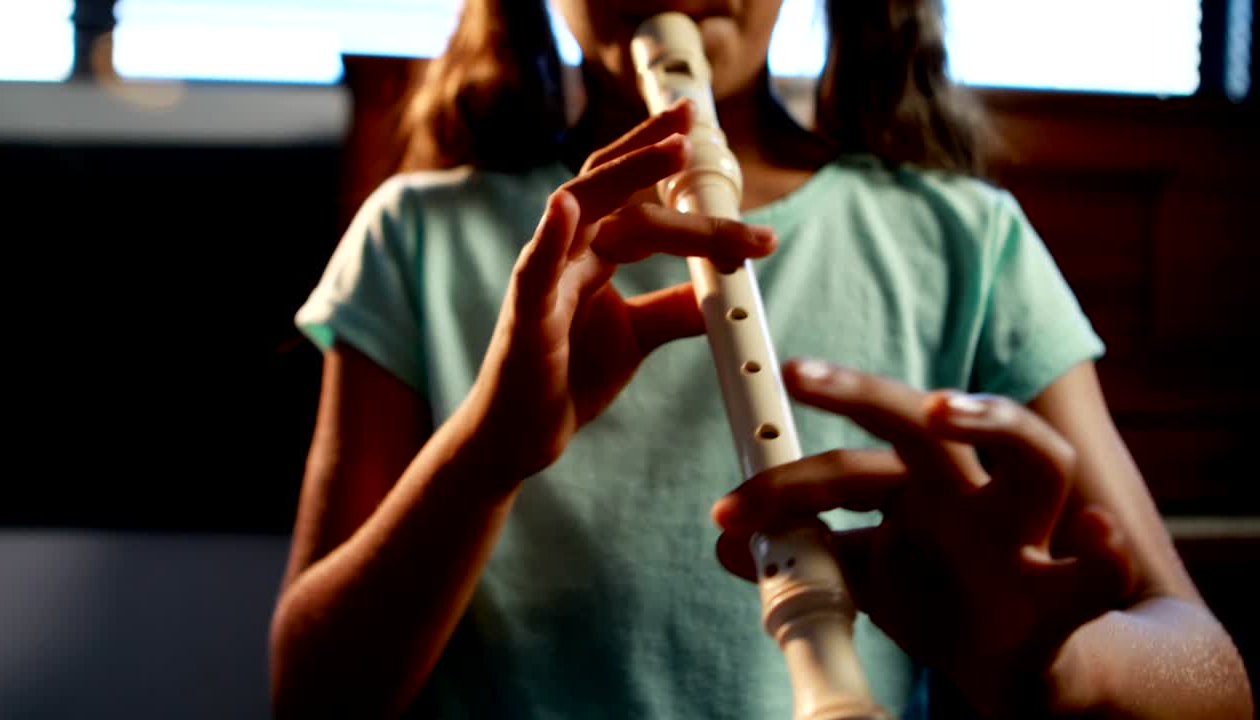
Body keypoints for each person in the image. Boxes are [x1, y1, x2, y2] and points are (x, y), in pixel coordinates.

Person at [268, 0, 1254, 717]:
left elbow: (1211, 675)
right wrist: (483, 456)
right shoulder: (416, 232)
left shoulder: (959, 237)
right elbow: (308, 693)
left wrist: (1055, 669)